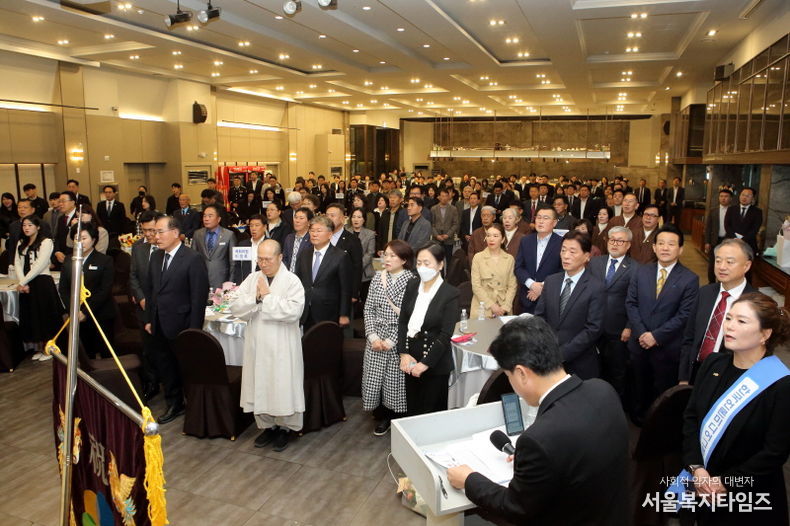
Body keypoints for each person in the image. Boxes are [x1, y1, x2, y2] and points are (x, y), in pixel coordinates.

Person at [447, 316, 629, 525]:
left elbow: (514, 507)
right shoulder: (603, 390)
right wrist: (536, 464)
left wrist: (469, 480)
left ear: (521, 374)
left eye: (508, 376)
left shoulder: (539, 439)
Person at [681, 292, 790, 526]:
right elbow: (691, 418)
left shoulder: (780, 384)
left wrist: (725, 482)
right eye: (729, 318)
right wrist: (697, 468)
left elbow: (775, 452)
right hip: (702, 483)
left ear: (765, 334)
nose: (729, 326)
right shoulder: (713, 363)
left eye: (741, 321)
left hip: (749, 496)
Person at [231, 240, 305, 452]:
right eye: (260, 259)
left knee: (282, 384)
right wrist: (255, 297)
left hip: (282, 344)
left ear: (280, 257)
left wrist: (267, 297)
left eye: (268, 259)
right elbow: (236, 305)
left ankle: (286, 428)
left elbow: (294, 312)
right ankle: (267, 426)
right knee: (260, 383)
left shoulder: (292, 281)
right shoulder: (253, 278)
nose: (263, 264)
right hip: (257, 342)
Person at [626, 224, 699, 423]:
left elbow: (685, 315)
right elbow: (631, 303)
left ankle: (657, 425)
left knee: (662, 391)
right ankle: (637, 420)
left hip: (667, 347)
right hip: (639, 343)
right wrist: (642, 333)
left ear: (680, 249)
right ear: (654, 247)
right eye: (661, 243)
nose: (665, 248)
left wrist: (656, 336)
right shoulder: (641, 272)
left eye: (671, 244)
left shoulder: (690, 279)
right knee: (638, 386)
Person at [145, 215, 209, 424]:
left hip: (182, 325)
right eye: (154, 232)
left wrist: (194, 330)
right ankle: (174, 403)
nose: (156, 237)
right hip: (159, 323)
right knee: (165, 366)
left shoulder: (192, 258)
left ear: (174, 233)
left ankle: (195, 407)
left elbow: (198, 297)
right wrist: (150, 320)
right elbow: (152, 291)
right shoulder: (156, 257)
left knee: (186, 368)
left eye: (160, 232)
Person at [679, 239, 756, 385]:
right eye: (718, 261)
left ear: (746, 266)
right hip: (696, 371)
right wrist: (684, 376)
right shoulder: (705, 293)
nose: (722, 267)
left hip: (728, 378)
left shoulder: (755, 303)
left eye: (730, 262)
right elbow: (689, 337)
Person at [397, 243, 459, 415]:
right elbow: (403, 321)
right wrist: (403, 353)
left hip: (435, 363)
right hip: (410, 360)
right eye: (419, 263)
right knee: (412, 412)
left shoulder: (450, 293)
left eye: (427, 263)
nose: (422, 268)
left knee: (430, 414)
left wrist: (425, 364)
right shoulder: (412, 285)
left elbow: (445, 335)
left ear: (440, 265)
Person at [363, 240, 416, 435]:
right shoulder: (378, 277)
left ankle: (392, 416)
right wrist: (372, 336)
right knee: (374, 378)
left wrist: (392, 340)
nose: (387, 259)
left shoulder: (412, 281)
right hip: (376, 337)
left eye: (393, 255)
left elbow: (410, 317)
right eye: (386, 254)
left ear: (404, 260)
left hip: (398, 338)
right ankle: (379, 411)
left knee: (394, 382)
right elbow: (368, 308)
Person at [535, 231, 604, 379]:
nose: (566, 256)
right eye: (563, 250)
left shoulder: (596, 287)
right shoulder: (551, 281)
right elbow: (539, 317)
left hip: (580, 363)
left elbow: (593, 329)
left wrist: (562, 354)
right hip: (548, 360)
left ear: (587, 256)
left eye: (572, 252)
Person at [588, 226, 636, 403]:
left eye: (620, 241)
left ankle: (614, 405)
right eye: (612, 240)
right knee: (593, 368)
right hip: (593, 326)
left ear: (628, 245)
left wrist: (629, 326)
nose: (615, 244)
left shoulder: (635, 268)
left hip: (618, 329)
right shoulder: (595, 263)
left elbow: (635, 301)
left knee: (617, 371)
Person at [59, 224, 115, 359]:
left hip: (100, 313)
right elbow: (63, 289)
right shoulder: (69, 260)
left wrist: (85, 312)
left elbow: (104, 290)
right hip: (77, 315)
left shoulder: (105, 260)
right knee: (85, 355)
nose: (80, 242)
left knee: (106, 353)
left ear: (93, 240)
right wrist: (74, 310)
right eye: (76, 239)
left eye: (84, 238)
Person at [13, 216, 63, 361]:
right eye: (24, 225)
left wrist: (23, 282)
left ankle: (51, 349)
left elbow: (40, 264)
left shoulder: (46, 242)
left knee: (45, 316)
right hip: (27, 284)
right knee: (33, 316)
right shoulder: (21, 242)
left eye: (30, 225)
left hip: (42, 282)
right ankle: (41, 348)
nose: (26, 228)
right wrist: (23, 282)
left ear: (38, 227)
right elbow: (17, 262)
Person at [295, 215, 352, 329]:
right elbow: (298, 280)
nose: (314, 234)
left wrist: (344, 314)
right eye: (312, 230)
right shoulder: (304, 254)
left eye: (319, 231)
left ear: (330, 234)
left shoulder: (340, 256)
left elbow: (345, 288)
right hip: (305, 310)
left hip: (329, 312)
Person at [129, 210, 161, 402]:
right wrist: (141, 298)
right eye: (144, 230)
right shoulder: (138, 247)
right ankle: (152, 383)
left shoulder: (166, 246)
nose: (148, 234)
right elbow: (133, 276)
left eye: (152, 230)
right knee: (147, 348)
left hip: (163, 307)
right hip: (143, 307)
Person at [515, 208, 563, 314]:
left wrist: (543, 287)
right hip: (527, 296)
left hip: (550, 298)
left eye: (545, 218)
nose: (541, 221)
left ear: (554, 223)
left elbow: (562, 270)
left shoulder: (561, 243)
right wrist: (532, 284)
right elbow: (518, 267)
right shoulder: (525, 240)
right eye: (538, 217)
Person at [470, 223, 517, 319]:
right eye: (488, 235)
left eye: (495, 236)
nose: (491, 239)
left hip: (503, 306)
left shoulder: (509, 259)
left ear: (502, 239)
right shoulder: (478, 258)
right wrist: (491, 305)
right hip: (482, 305)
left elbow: (512, 286)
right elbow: (476, 286)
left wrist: (506, 306)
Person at [192, 204, 236, 289]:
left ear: (218, 219)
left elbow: (233, 262)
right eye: (204, 216)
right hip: (201, 278)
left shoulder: (228, 235)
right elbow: (193, 259)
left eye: (210, 216)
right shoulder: (197, 234)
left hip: (221, 279)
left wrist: (231, 282)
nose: (206, 219)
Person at [326, 203, 363, 301]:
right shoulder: (321, 237)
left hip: (342, 290)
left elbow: (357, 267)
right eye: (327, 215)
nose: (329, 218)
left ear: (343, 219)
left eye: (332, 215)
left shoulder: (352, 240)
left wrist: (354, 293)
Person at [704, 188, 733, 283]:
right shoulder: (713, 211)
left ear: (730, 198)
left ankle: (722, 283)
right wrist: (707, 242)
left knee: (725, 264)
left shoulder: (734, 211)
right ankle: (711, 283)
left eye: (726, 196)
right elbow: (708, 227)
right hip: (714, 240)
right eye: (721, 196)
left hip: (727, 241)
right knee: (712, 264)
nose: (723, 198)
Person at [724, 186, 762, 256]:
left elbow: (755, 229)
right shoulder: (731, 209)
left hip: (748, 244)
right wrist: (735, 238)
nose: (744, 197)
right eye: (743, 195)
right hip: (731, 241)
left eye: (748, 196)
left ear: (753, 198)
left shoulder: (757, 212)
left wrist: (742, 240)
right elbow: (727, 225)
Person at [350, 207, 376, 301]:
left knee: (365, 300)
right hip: (348, 272)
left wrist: (357, 267)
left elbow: (370, 253)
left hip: (365, 273)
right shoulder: (346, 232)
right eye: (354, 217)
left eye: (359, 217)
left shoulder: (370, 234)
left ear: (364, 219)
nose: (356, 219)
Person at [233, 214, 266, 284]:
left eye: (257, 225)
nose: (253, 228)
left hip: (264, 284)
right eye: (251, 225)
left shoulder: (270, 244)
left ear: (264, 227)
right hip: (245, 284)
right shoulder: (242, 245)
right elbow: (237, 267)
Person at [430, 188, 459, 263]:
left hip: (449, 239)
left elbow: (455, 224)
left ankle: (449, 271)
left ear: (449, 197)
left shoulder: (453, 209)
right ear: (439, 197)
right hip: (436, 239)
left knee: (449, 260)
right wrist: (436, 235)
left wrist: (448, 235)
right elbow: (431, 224)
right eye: (442, 196)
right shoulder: (433, 209)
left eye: (446, 196)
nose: (444, 198)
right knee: (437, 260)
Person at [52, 191, 78, 270]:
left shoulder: (80, 216)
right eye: (59, 201)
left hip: (75, 258)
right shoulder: (61, 218)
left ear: (73, 202)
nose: (60, 204)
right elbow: (57, 237)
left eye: (63, 201)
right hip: (61, 259)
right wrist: (57, 252)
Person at [282, 207, 313, 272]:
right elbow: (285, 258)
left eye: (301, 218)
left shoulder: (312, 239)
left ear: (309, 222)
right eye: (295, 217)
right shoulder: (289, 238)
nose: (297, 221)